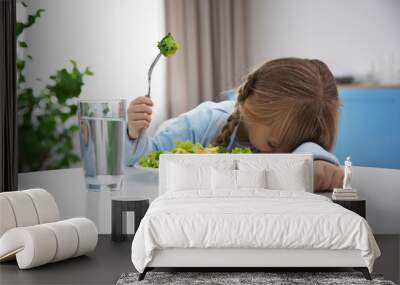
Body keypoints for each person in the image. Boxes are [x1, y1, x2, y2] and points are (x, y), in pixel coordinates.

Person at [125, 58, 343, 192]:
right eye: (273, 144)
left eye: (293, 147)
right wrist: (133, 134)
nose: (280, 155)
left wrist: (316, 160)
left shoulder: (287, 138)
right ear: (252, 111)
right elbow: (142, 159)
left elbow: (311, 158)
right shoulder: (205, 122)